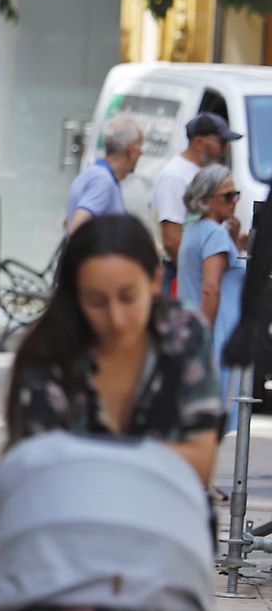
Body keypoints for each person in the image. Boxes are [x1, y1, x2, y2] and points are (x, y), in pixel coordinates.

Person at [6, 214, 222, 485]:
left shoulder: (183, 334)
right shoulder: (48, 351)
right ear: (75, 296)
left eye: (128, 298)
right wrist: (152, 460)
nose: (116, 319)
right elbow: (38, 471)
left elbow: (201, 463)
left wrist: (88, 458)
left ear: (155, 281)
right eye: (96, 301)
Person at [176, 165, 244, 397]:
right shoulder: (214, 233)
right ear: (206, 200)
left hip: (196, 329)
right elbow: (210, 288)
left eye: (236, 194)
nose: (234, 200)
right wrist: (204, 340)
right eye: (227, 195)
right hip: (215, 337)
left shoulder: (195, 230)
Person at [153, 112, 238, 278]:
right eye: (221, 142)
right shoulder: (174, 176)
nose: (224, 150)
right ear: (199, 142)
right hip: (182, 274)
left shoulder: (203, 172)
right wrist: (196, 277)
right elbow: (172, 241)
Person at [66, 113, 144, 233]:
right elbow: (77, 227)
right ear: (130, 150)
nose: (140, 155)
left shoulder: (92, 173)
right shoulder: (103, 181)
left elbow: (68, 222)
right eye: (140, 150)